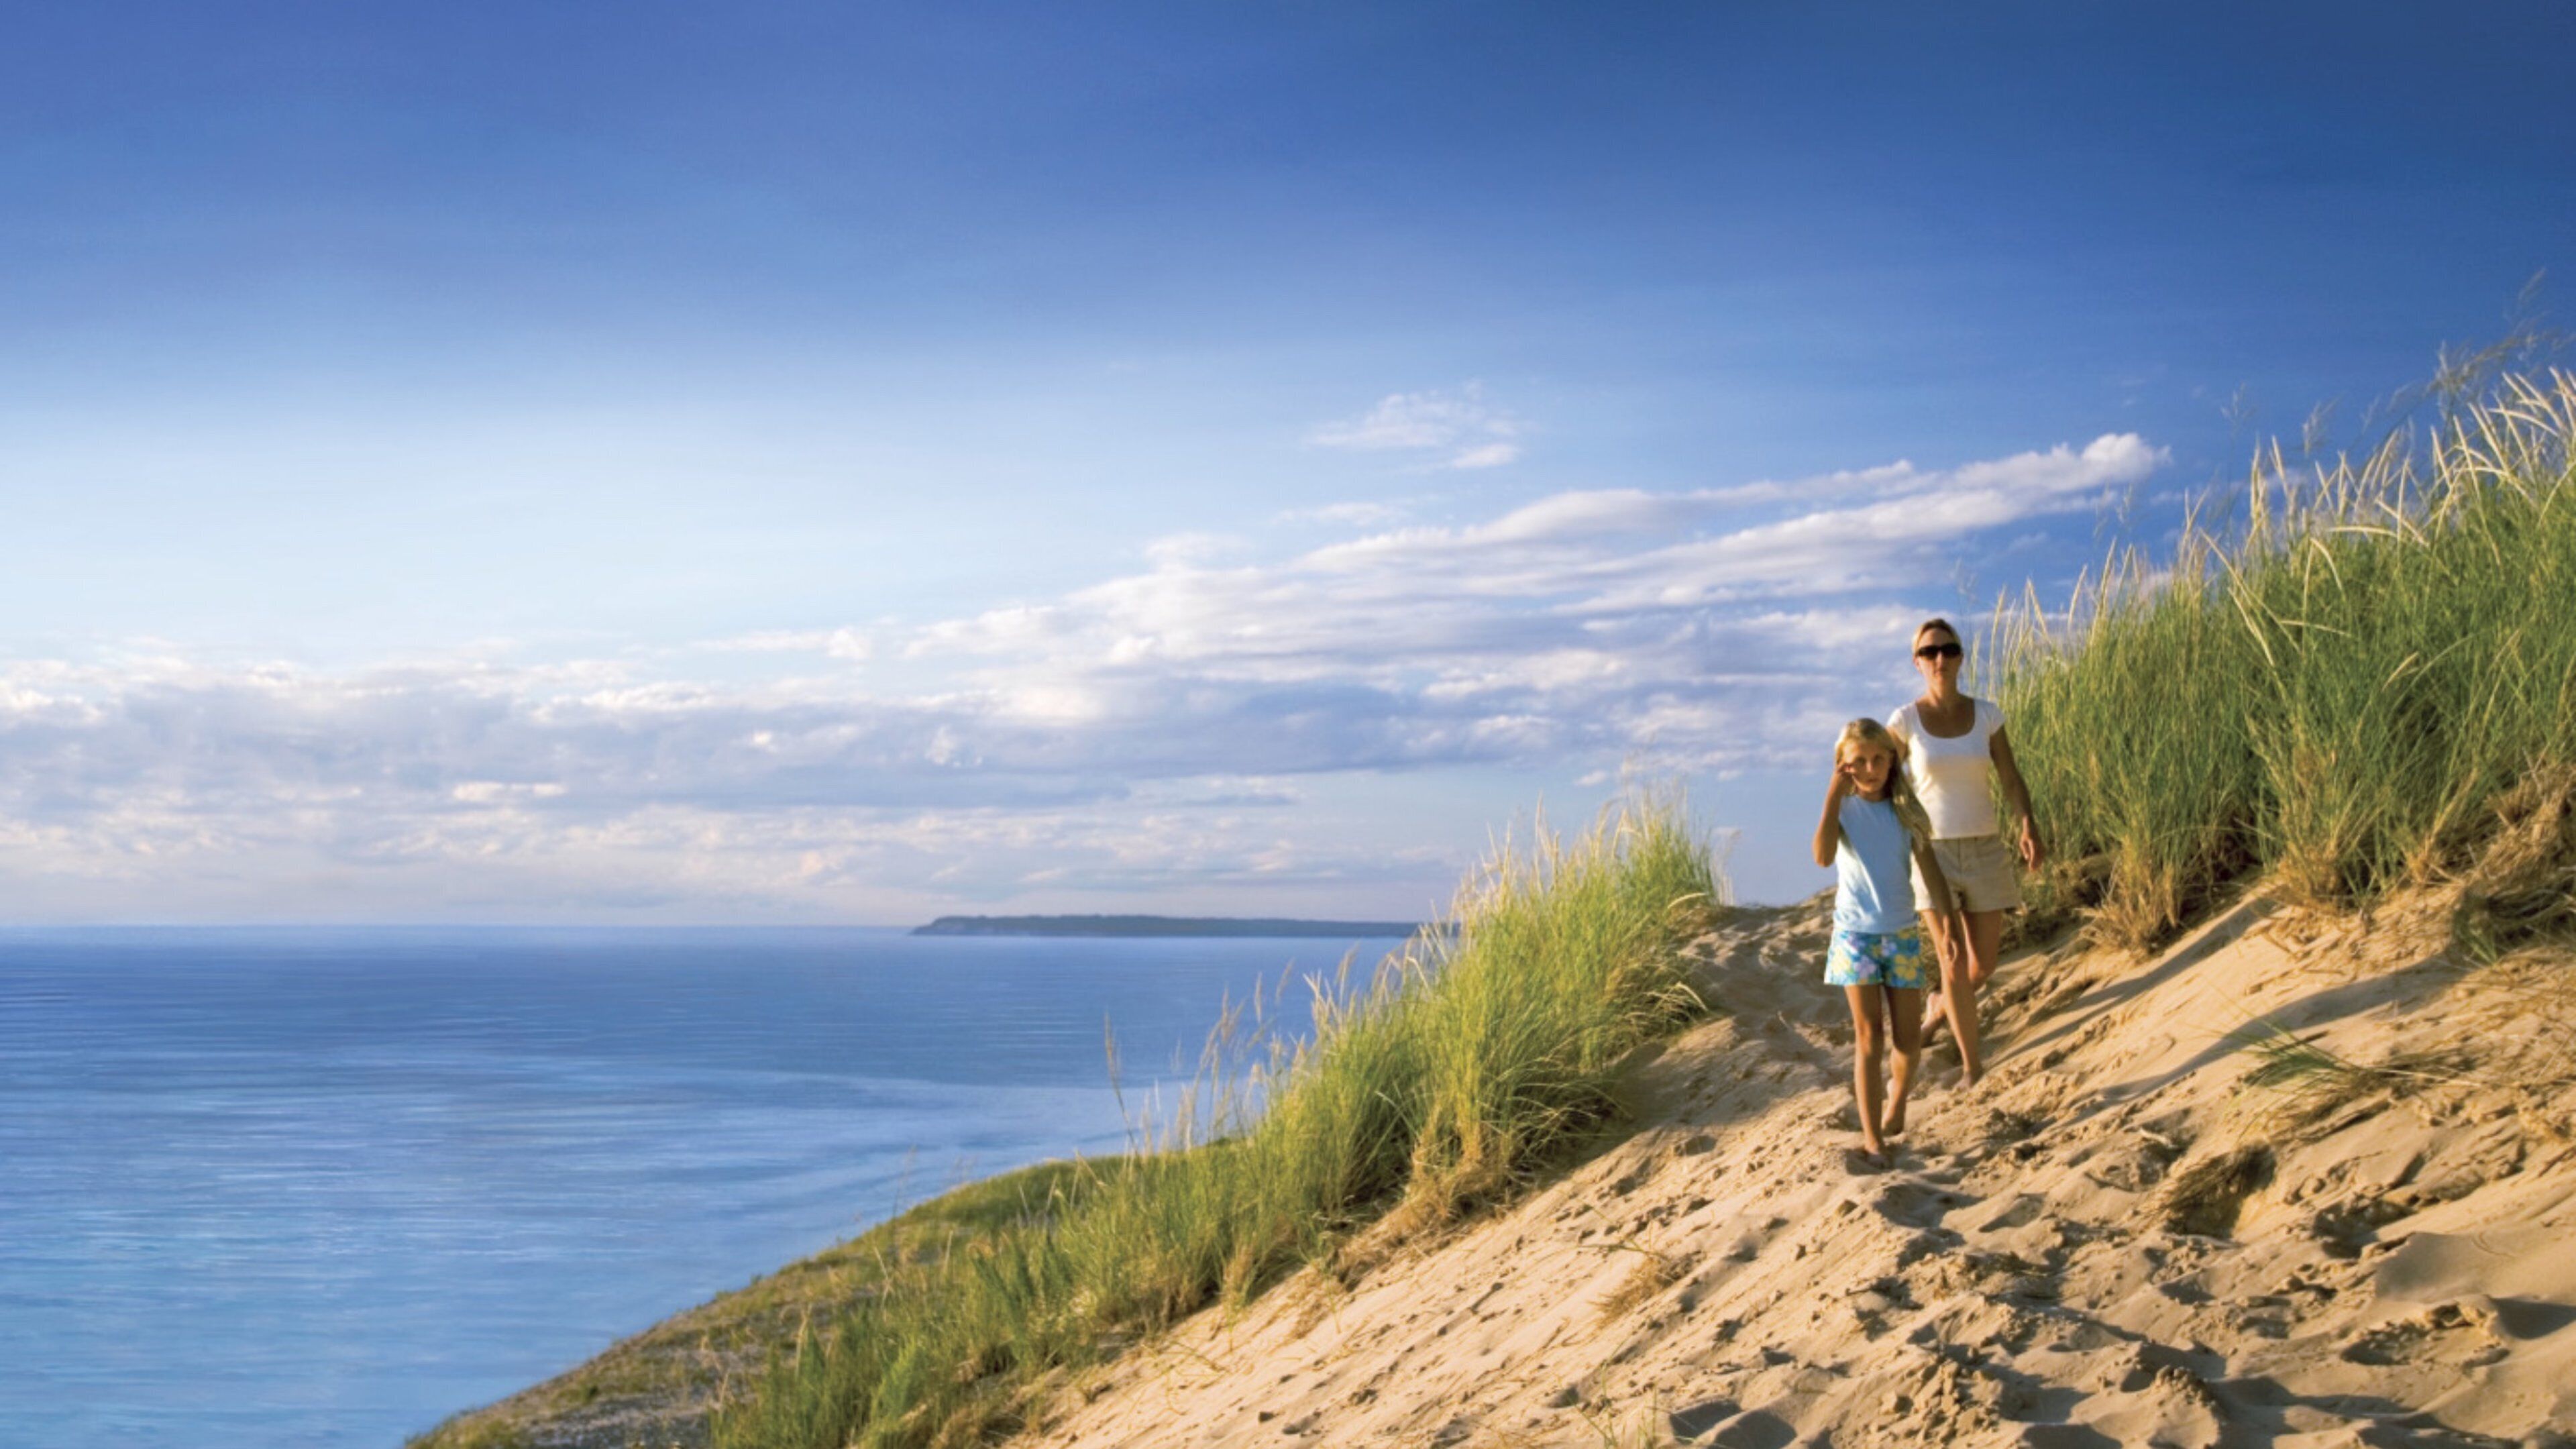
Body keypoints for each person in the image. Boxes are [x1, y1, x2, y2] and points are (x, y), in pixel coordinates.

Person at [1886, 617, 2047, 1088]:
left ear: (1960, 657)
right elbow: (1890, 785)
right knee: (1952, 959)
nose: (1940, 659)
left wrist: (2027, 824)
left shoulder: (1987, 715)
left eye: (1949, 650)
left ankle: (1937, 1008)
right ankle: (1973, 1066)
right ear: (1917, 662)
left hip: (1985, 847)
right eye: (1930, 652)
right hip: (1931, 853)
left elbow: (2011, 778)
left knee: (1984, 965)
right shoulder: (1905, 721)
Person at [1811, 717, 1960, 1166]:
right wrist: (1833, 798)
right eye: (1859, 762)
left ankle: (1896, 1106)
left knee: (1909, 1041)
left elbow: (1929, 868)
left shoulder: (1905, 811)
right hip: (1856, 936)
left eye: (1879, 759)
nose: (1871, 769)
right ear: (1844, 765)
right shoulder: (1845, 811)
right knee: (1869, 1036)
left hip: (1900, 933)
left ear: (1893, 762)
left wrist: (1949, 921)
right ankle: (1872, 1136)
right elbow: (1821, 858)